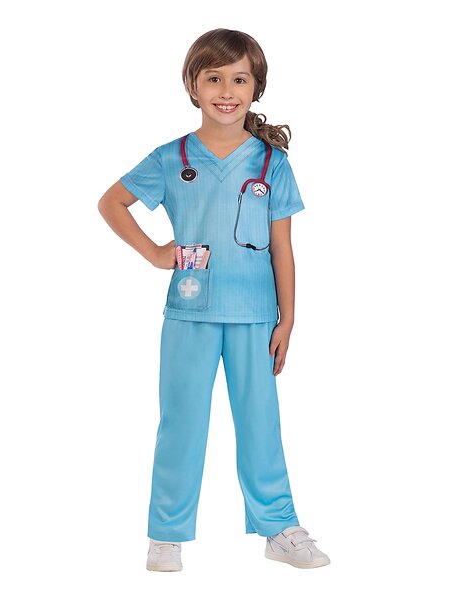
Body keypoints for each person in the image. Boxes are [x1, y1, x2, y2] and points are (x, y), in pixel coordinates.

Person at [97, 28, 330, 571]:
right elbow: (112, 203)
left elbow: (282, 248)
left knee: (260, 424)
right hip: (190, 313)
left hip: (255, 317)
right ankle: (166, 535)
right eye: (214, 78)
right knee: (181, 422)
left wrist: (288, 320)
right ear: (193, 86)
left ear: (256, 88)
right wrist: (156, 253)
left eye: (240, 80)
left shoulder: (270, 164)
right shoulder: (172, 157)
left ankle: (279, 528)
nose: (227, 91)